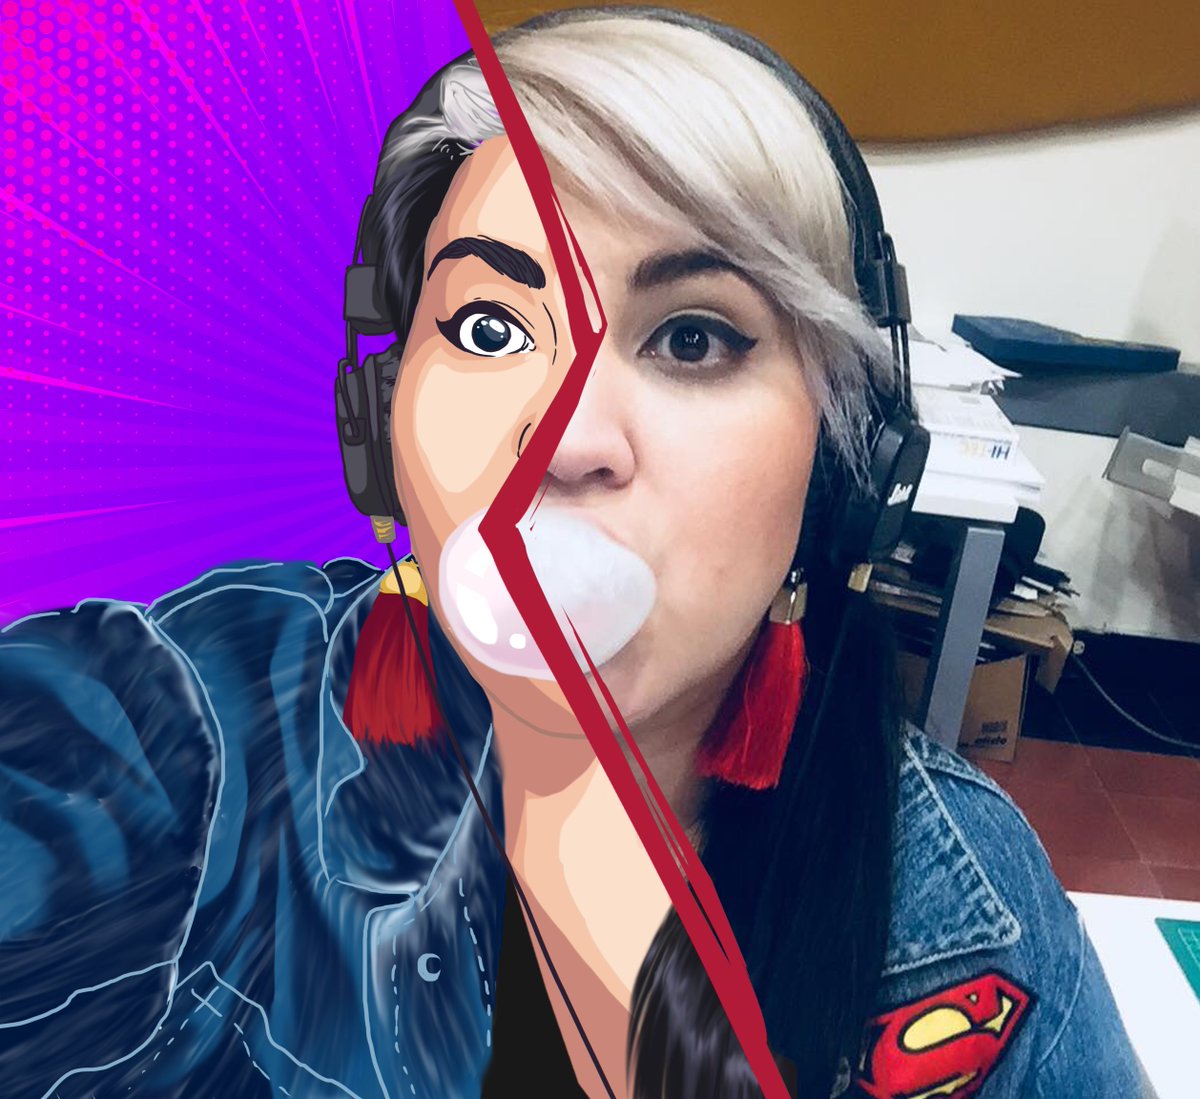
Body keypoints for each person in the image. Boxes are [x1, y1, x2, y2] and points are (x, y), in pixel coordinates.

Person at [0, 7, 1151, 1099]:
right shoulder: (195, 732)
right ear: (384, 424)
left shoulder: (961, 915)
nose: (562, 441)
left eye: (691, 338)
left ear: (838, 475)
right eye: (490, 328)